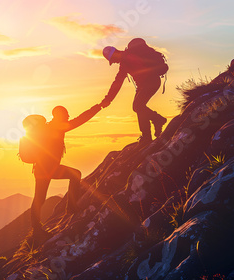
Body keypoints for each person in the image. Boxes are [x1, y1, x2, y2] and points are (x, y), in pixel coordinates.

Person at [31, 104, 102, 238]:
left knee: (39, 198)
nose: (68, 116)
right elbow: (80, 120)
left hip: (44, 169)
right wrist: (98, 107)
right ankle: (69, 209)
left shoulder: (50, 127)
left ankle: (38, 228)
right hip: (46, 169)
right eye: (66, 114)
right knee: (40, 198)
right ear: (58, 115)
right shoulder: (57, 127)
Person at [101, 38, 168, 146]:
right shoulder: (126, 58)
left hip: (150, 82)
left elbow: (117, 83)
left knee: (138, 106)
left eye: (112, 60)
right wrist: (108, 99)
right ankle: (153, 126)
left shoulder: (127, 59)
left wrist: (108, 99)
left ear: (114, 54)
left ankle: (151, 130)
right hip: (147, 84)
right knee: (137, 106)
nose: (114, 62)